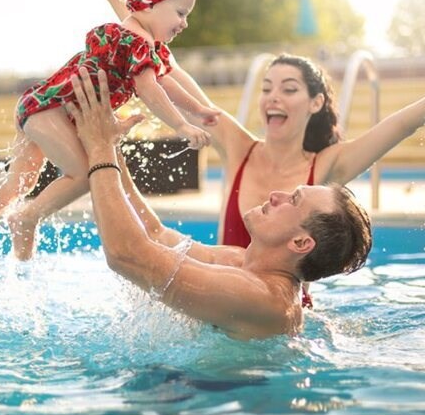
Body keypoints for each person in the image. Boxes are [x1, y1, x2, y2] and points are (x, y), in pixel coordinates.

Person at [54, 0, 425, 305]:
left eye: (287, 88)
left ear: (315, 103)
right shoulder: (239, 148)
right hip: (219, 283)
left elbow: (408, 119)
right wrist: (116, 0)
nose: (271, 98)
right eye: (266, 87)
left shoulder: (325, 172)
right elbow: (162, 62)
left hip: (248, 304)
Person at [0, 0, 220, 275]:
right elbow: (151, 90)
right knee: (84, 175)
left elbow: (165, 81)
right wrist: (181, 124)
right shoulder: (134, 41)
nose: (184, 22)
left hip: (40, 106)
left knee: (22, 179)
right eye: (180, 12)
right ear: (150, 3)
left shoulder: (141, 42)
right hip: (52, 110)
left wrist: (199, 109)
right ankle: (26, 218)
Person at [67, 67, 373, 340]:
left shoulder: (261, 298)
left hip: (214, 396)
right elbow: (155, 236)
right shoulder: (241, 262)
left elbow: (127, 256)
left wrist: (99, 148)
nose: (276, 195)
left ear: (301, 242)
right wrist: (110, 145)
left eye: (293, 200)